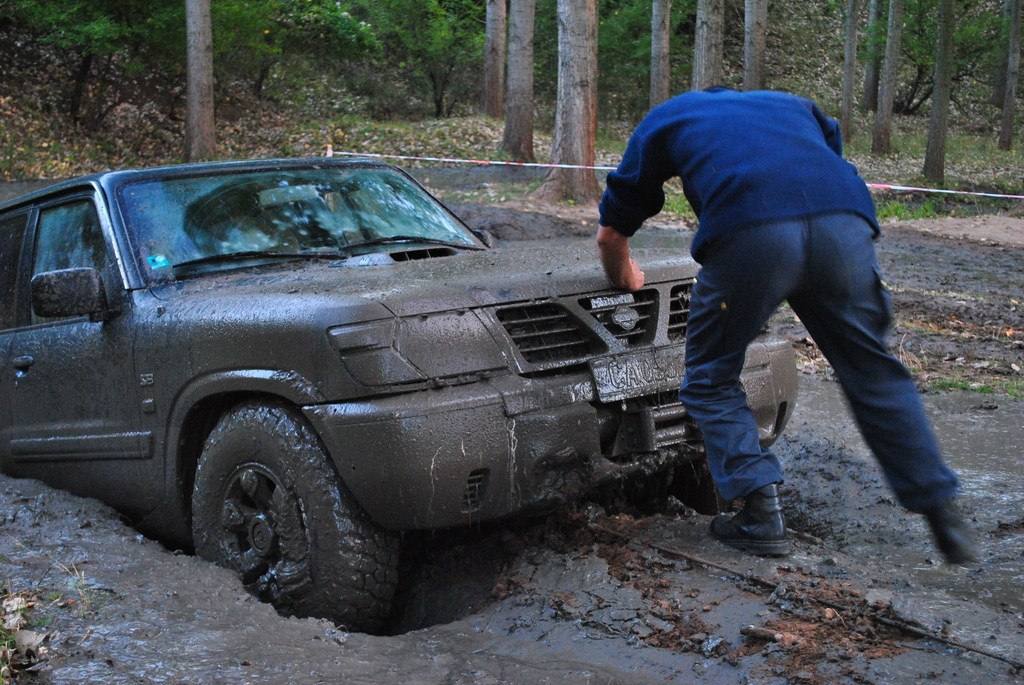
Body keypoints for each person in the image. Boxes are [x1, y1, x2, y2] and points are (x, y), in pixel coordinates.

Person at [596, 87, 978, 564]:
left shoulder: (668, 118)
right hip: (844, 224)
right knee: (872, 369)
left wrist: (625, 275)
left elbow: (612, 232)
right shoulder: (793, 105)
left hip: (750, 232)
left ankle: (760, 513)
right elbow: (826, 161)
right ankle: (940, 508)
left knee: (710, 379)